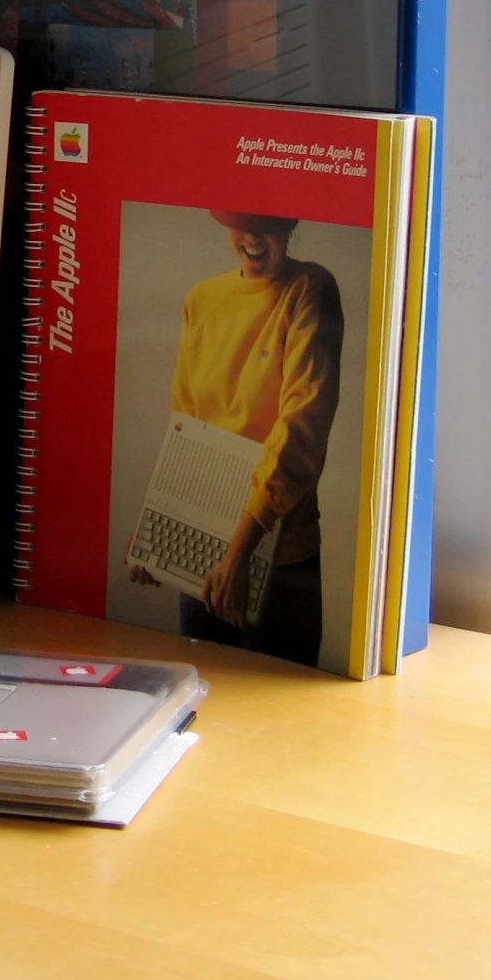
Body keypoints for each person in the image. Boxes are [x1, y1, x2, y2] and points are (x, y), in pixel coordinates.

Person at [131, 211, 342, 670]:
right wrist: (159, 524)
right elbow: (187, 420)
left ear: (288, 227)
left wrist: (240, 550)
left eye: (265, 223)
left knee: (277, 710)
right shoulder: (202, 298)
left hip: (277, 553)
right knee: (202, 698)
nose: (251, 237)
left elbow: (301, 426)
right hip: (206, 546)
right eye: (239, 221)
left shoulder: (310, 289)